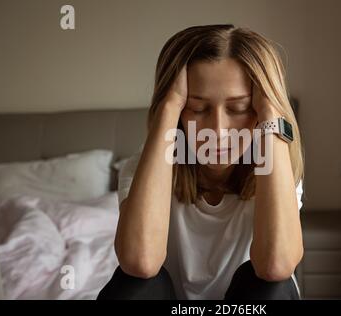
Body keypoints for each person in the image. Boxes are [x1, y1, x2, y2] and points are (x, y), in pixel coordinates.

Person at [97, 24, 305, 300]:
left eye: (239, 108)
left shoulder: (277, 167)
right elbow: (140, 262)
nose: (217, 131)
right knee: (134, 285)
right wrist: (168, 108)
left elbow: (276, 266)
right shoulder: (141, 167)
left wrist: (272, 116)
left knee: (273, 287)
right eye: (197, 108)